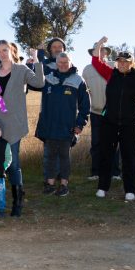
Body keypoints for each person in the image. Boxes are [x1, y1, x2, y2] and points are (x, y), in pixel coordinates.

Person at [92, 37, 135, 201]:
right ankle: (102, 187)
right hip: (110, 122)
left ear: (131, 63)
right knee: (106, 155)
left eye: (125, 62)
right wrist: (100, 43)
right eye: (119, 61)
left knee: (129, 157)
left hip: (131, 124)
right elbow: (95, 60)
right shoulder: (110, 74)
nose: (122, 64)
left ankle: (130, 190)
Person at [0, 40, 45, 216]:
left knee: (13, 164)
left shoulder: (21, 70)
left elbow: (40, 83)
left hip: (13, 123)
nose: (2, 54)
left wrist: (36, 60)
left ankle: (18, 200)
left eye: (4, 50)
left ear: (11, 50)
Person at [35, 52, 90, 197]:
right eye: (60, 63)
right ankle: (50, 185)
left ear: (71, 62)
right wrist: (34, 61)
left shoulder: (78, 80)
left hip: (68, 128)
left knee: (64, 158)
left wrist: (80, 125)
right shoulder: (48, 78)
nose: (63, 65)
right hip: (49, 128)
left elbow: (85, 106)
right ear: (56, 63)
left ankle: (64, 185)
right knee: (50, 157)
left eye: (66, 63)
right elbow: (33, 81)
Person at [81, 44, 122, 181]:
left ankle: (115, 173)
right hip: (96, 112)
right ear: (93, 53)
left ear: (105, 52)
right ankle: (95, 173)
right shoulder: (86, 70)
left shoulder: (113, 65)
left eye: (102, 50)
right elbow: (84, 91)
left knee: (114, 143)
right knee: (96, 143)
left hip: (113, 112)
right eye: (97, 50)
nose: (100, 52)